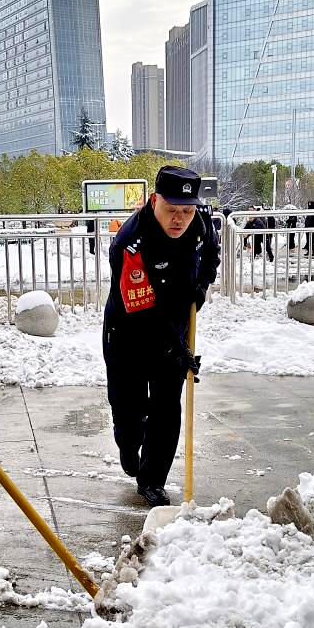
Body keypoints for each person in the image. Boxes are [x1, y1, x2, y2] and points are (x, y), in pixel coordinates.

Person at [102, 166, 220, 507]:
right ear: (154, 200)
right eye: (172, 210)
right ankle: (127, 439)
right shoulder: (129, 243)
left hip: (174, 332)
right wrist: (178, 347)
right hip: (130, 334)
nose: (180, 219)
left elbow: (210, 255)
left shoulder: (200, 226)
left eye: (187, 210)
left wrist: (201, 286)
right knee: (131, 409)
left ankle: (152, 479)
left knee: (167, 410)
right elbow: (142, 310)